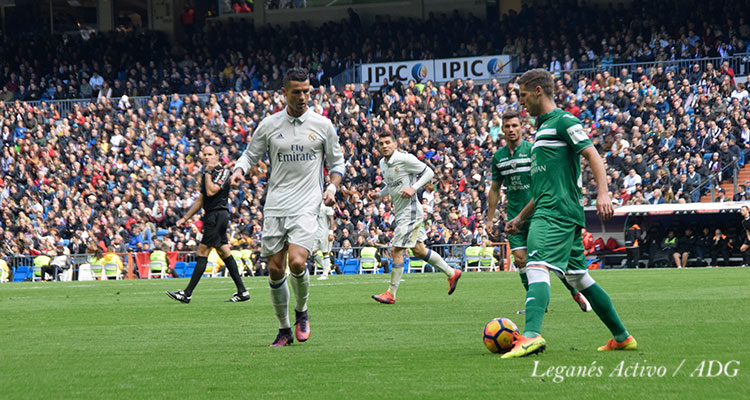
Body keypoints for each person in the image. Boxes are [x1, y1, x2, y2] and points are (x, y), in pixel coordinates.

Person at [502, 69, 636, 358]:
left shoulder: (564, 121)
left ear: (538, 91)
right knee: (579, 278)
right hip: (549, 210)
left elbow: (592, 155)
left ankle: (531, 335)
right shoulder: (542, 128)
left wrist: (603, 192)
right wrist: (520, 218)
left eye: (523, 95)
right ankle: (622, 337)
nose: (521, 101)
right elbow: (544, 189)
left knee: (536, 266)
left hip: (556, 215)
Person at [229, 68, 345, 347]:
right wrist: (239, 171)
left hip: (307, 204)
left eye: (307, 91)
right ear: (284, 93)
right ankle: (283, 330)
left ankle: (301, 311)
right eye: (297, 92)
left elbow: (338, 163)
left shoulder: (322, 125)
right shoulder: (270, 125)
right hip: (276, 204)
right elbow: (250, 154)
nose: (304, 96)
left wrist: (332, 187)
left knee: (297, 261)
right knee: (274, 269)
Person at [486, 110, 591, 314]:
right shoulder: (498, 157)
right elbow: (495, 189)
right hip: (514, 216)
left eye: (515, 125)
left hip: (539, 213)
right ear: (502, 130)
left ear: (522, 127)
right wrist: (489, 219)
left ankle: (575, 291)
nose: (511, 130)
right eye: (507, 126)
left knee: (553, 261)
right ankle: (536, 305)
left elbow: (544, 185)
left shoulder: (534, 150)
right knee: (520, 259)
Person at [367, 131, 462, 304]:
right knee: (418, 249)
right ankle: (451, 273)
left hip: (410, 211)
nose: (385, 146)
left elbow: (429, 173)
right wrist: (379, 195)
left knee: (397, 249)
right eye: (381, 143)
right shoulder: (382, 163)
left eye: (388, 142)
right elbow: (391, 185)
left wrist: (414, 188)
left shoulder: (405, 158)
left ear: (396, 144)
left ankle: (391, 293)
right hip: (402, 212)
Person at [166, 145, 249, 304]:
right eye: (204, 154)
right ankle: (242, 291)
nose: (207, 157)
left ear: (217, 156)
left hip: (217, 215)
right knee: (224, 252)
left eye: (210, 154)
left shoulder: (222, 172)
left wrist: (208, 172)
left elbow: (211, 191)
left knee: (202, 251)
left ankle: (187, 294)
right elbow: (201, 199)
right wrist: (185, 218)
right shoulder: (208, 174)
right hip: (214, 215)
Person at [313, 202, 336, 280]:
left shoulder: (326, 208)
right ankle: (326, 268)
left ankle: (325, 274)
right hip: (315, 234)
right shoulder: (313, 208)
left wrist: (331, 233)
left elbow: (332, 220)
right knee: (312, 252)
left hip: (324, 233)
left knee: (325, 253)